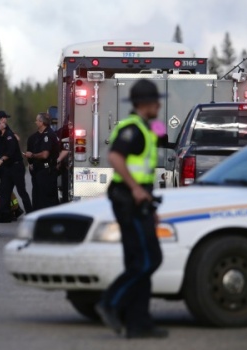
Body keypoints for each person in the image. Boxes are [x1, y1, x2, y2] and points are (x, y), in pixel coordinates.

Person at [95, 79, 168, 339]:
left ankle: (139, 323)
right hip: (129, 200)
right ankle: (109, 303)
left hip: (141, 201)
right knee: (149, 260)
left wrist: (148, 198)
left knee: (139, 261)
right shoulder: (132, 129)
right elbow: (114, 157)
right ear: (145, 104)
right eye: (156, 101)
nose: (160, 105)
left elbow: (161, 143)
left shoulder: (147, 128)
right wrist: (136, 189)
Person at [0, 118, 33, 223]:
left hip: (16, 167)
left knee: (21, 190)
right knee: (4, 191)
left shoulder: (9, 136)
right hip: (7, 167)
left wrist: (1, 159)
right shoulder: (0, 137)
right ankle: (5, 214)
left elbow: (10, 152)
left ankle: (30, 213)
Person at [24, 113, 60, 210]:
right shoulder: (33, 137)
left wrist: (32, 155)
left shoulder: (48, 135)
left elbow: (45, 155)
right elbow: (29, 150)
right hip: (37, 171)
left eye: (37, 120)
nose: (36, 122)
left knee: (47, 197)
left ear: (42, 122)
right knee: (37, 196)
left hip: (47, 170)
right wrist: (30, 162)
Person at [56, 121, 72, 203]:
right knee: (65, 186)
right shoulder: (63, 131)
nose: (70, 125)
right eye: (69, 124)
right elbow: (62, 148)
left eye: (71, 124)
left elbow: (66, 149)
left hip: (67, 164)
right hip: (65, 165)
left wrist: (58, 160)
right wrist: (58, 161)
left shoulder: (63, 131)